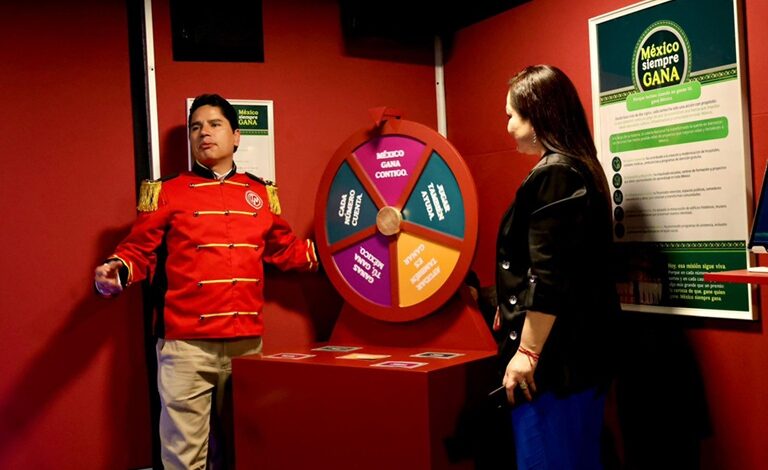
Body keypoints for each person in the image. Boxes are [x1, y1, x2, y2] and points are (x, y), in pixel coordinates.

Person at [94, 93, 319, 469]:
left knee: (248, 450)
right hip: (186, 348)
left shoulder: (260, 193)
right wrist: (115, 270)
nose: (204, 133)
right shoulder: (167, 191)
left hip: (247, 346)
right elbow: (138, 250)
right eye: (196, 127)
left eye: (214, 124)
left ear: (236, 136)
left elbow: (287, 249)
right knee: (184, 459)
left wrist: (342, 254)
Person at [492, 65, 621, 469]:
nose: (508, 126)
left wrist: (526, 354)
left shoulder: (556, 174)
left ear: (537, 117)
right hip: (581, 360)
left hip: (555, 368)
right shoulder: (580, 166)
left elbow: (550, 276)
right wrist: (507, 303)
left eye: (512, 115)